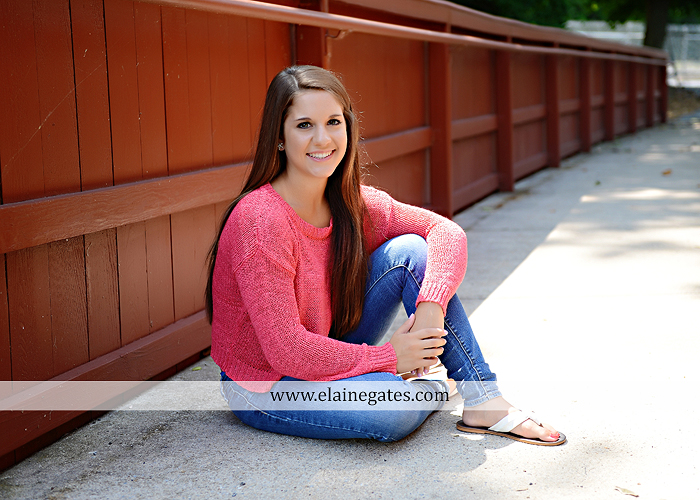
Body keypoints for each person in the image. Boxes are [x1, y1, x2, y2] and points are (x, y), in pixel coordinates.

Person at [205, 65, 565, 446]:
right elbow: (287, 350)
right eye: (304, 125)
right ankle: (427, 388)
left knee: (411, 252)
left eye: (333, 122)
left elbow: (445, 232)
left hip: (329, 339)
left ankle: (482, 398)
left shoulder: (350, 201)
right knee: (390, 410)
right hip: (267, 383)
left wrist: (430, 306)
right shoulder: (261, 221)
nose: (322, 138)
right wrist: (390, 358)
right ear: (279, 137)